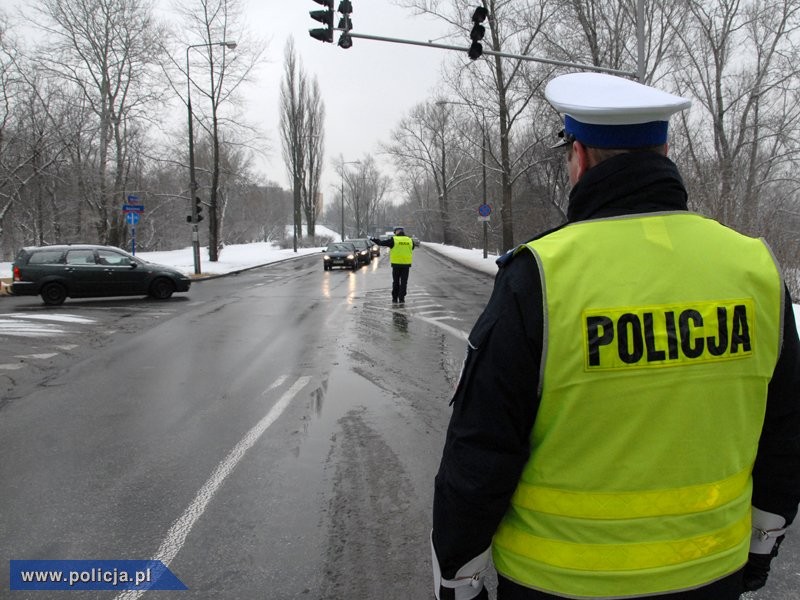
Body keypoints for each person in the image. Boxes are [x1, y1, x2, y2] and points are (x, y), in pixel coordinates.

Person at [430, 72, 800, 600]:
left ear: (577, 157)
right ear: (665, 149)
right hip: (710, 573)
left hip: (560, 584)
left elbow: (480, 452)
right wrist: (763, 545)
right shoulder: (755, 269)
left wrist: (458, 576)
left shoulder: (540, 276)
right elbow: (785, 431)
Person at [370, 226, 414, 303]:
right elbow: (412, 248)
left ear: (396, 232)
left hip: (396, 265)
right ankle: (402, 298)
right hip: (406, 265)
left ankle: (395, 298)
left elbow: (381, 243)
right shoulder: (410, 240)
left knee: (396, 281)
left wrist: (374, 239)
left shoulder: (394, 240)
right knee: (404, 282)